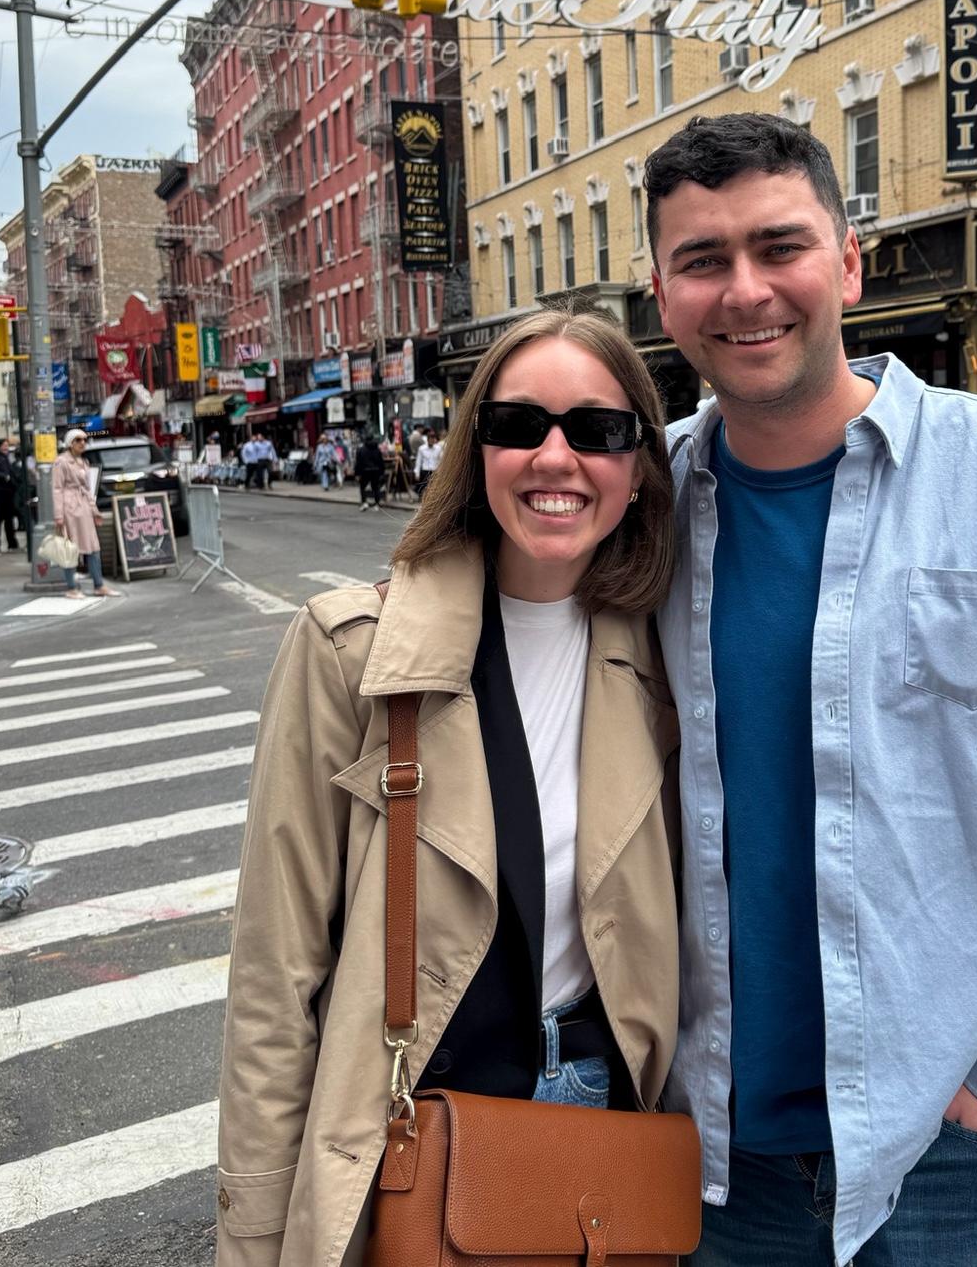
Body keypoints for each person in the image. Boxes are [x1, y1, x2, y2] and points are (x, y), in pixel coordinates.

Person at [644, 113, 977, 1267]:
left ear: (848, 260)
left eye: (777, 246)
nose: (744, 291)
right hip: (710, 1161)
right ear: (661, 292)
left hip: (951, 1149)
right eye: (702, 260)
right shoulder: (642, 512)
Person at [217, 308, 680, 1266]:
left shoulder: (672, 662)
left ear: (637, 470)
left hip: (607, 1158)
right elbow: (275, 982)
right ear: (477, 453)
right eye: (519, 426)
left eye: (595, 432)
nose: (556, 458)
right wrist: (258, 1236)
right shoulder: (352, 654)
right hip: (411, 1162)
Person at [51, 428, 120, 599]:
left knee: (93, 547)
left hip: (84, 508)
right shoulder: (61, 462)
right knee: (71, 548)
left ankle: (99, 585)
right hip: (70, 508)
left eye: (84, 439)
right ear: (70, 443)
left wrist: (94, 510)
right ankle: (72, 587)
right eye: (78, 440)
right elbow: (57, 489)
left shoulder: (83, 461)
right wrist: (59, 515)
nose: (83, 443)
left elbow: (87, 489)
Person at [0, 437, 22, 551]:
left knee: (1, 520)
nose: (6, 448)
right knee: (7, 520)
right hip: (5, 494)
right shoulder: (1, 459)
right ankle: (11, 543)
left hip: (1, 494)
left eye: (7, 445)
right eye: (4, 445)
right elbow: (7, 475)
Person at [353, 431, 385, 510]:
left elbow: (359, 462)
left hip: (365, 471)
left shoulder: (361, 450)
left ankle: (364, 502)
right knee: (375, 487)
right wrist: (382, 472)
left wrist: (357, 473)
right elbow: (380, 461)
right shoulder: (377, 449)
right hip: (375, 471)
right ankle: (377, 503)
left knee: (362, 487)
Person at [414, 426, 444, 498]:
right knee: (424, 489)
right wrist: (417, 473)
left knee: (434, 490)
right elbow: (418, 462)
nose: (432, 440)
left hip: (435, 471)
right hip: (425, 471)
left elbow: (441, 461)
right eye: (430, 439)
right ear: (427, 440)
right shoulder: (422, 449)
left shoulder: (438, 448)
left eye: (433, 439)